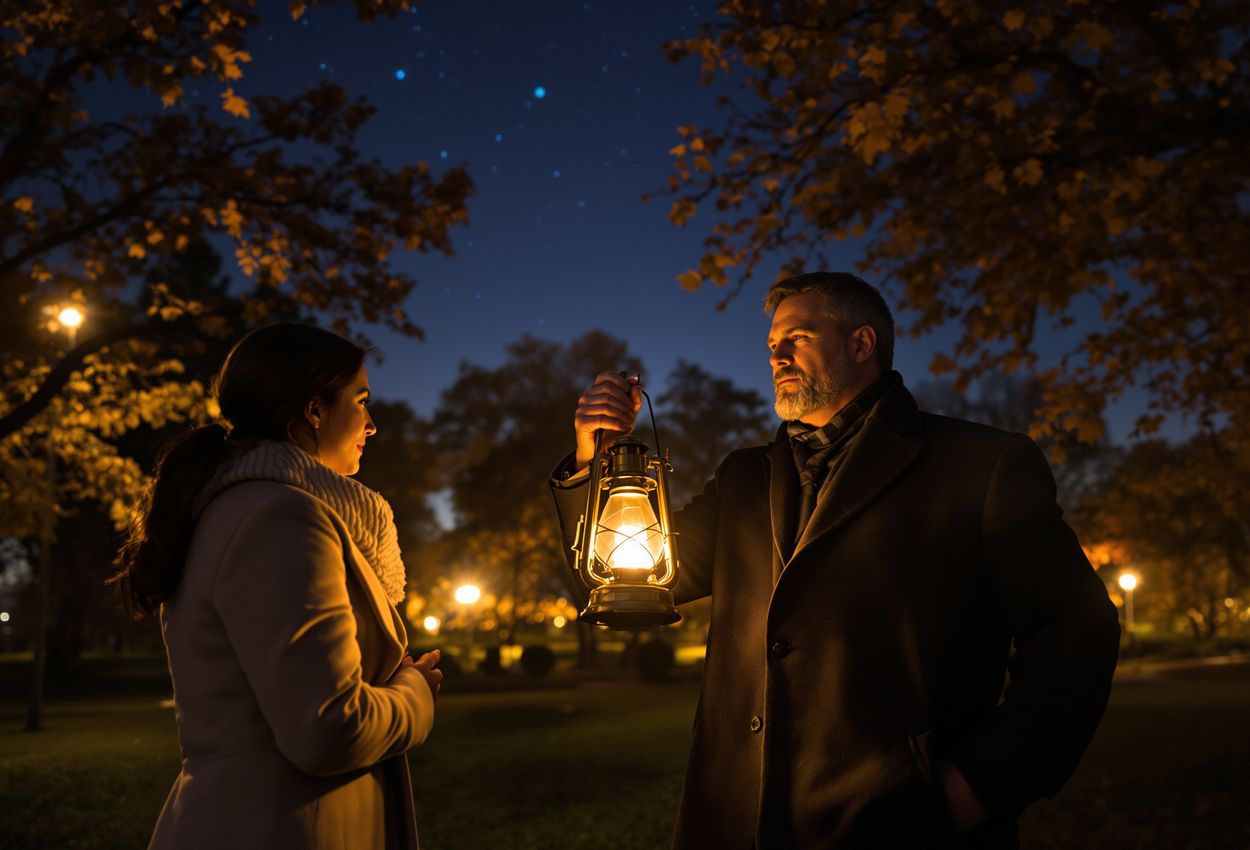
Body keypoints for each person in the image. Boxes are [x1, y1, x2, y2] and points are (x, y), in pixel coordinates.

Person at [550, 273, 1120, 849]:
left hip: (903, 826)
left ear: (861, 344)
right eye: (772, 342)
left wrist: (979, 786)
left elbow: (1077, 631)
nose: (775, 353)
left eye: (797, 336)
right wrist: (593, 463)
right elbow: (619, 587)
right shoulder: (742, 479)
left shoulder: (981, 464)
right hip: (733, 824)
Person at [109, 323, 442, 850]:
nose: (372, 423)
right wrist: (416, 693)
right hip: (277, 824)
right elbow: (329, 730)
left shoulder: (254, 508)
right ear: (314, 410)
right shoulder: (279, 517)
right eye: (360, 400)